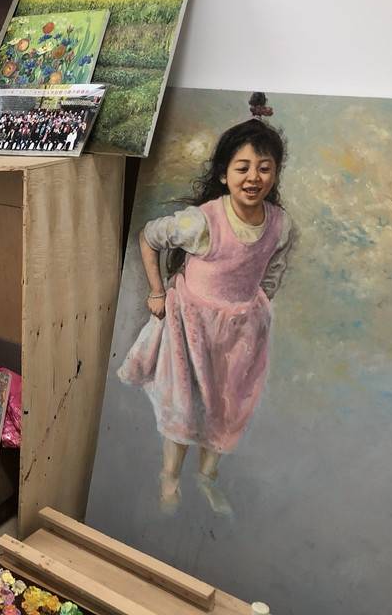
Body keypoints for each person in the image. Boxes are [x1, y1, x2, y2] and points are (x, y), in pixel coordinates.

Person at [117, 108, 295, 517]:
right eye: (243, 167)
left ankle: (207, 475)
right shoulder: (202, 222)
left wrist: (254, 306)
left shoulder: (280, 225)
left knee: (227, 406)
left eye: (264, 168)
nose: (253, 177)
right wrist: (157, 292)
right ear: (224, 174)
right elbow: (149, 237)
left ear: (275, 174)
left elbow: (273, 270)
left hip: (241, 334)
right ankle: (170, 478)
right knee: (185, 403)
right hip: (192, 327)